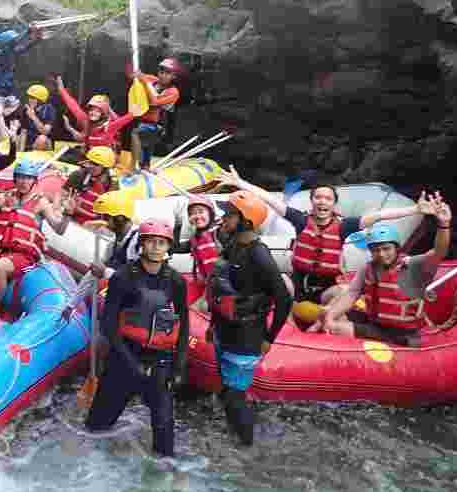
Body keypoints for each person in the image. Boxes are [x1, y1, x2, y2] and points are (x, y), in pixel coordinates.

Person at [225, 169, 423, 306]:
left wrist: (415, 209)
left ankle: (322, 327)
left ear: (334, 204)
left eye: (327, 198)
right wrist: (240, 183)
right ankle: (288, 327)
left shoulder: (345, 226)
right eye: (318, 197)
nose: (322, 201)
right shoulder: (300, 220)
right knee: (282, 279)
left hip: (327, 288)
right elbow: (269, 199)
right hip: (298, 285)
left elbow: (379, 215)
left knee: (345, 291)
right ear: (312, 202)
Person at [85, 219, 189, 454]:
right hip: (125, 356)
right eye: (151, 242)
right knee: (97, 427)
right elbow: (109, 324)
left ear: (167, 248)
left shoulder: (176, 281)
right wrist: (130, 363)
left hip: (159, 359)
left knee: (164, 432)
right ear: (142, 244)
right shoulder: (123, 277)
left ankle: (164, 474)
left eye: (161, 243)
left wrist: (180, 366)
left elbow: (184, 323)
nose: (156, 247)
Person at [206, 190, 291, 447]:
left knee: (234, 394)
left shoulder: (258, 254)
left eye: (229, 215)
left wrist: (269, 337)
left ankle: (246, 447)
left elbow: (284, 299)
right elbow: (222, 289)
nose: (223, 219)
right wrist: (213, 324)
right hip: (225, 327)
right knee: (227, 388)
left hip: (248, 333)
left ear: (246, 220)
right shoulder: (233, 246)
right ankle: (233, 433)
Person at [313, 193, 454, 346]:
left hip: (401, 335)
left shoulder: (412, 266)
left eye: (386, 249)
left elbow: (439, 251)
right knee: (328, 315)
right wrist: (330, 316)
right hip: (375, 324)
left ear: (396, 248)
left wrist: (443, 225)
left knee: (337, 328)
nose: (381, 254)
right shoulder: (368, 268)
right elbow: (352, 294)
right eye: (376, 250)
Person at [0, 159, 68, 312]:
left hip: (23, 256)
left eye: (28, 178)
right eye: (20, 177)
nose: (23, 182)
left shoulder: (40, 202)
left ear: (34, 181)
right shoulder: (2, 198)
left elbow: (59, 229)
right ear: (15, 178)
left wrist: (68, 213)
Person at [56, 76, 137, 157]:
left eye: (97, 111)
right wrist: (62, 90)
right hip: (89, 156)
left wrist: (134, 112)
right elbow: (73, 105)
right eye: (91, 110)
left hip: (104, 160)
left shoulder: (110, 126)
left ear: (103, 114)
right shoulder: (85, 120)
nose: (93, 113)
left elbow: (125, 118)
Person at [131, 58, 183, 168]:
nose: (163, 75)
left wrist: (144, 81)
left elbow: (155, 101)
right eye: (161, 71)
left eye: (168, 73)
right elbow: (136, 76)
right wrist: (135, 74)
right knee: (145, 154)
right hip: (142, 121)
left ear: (174, 76)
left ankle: (134, 167)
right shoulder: (152, 80)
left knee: (136, 133)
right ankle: (144, 166)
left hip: (157, 126)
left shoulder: (173, 92)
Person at [0, 25, 40, 119]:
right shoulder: (2, 54)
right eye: (12, 42)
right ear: (7, 44)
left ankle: (0, 116)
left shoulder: (10, 52)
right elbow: (16, 41)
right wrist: (28, 31)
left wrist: (36, 40)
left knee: (14, 104)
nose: (15, 43)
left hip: (4, 91)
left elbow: (24, 49)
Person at [64, 145, 118, 224]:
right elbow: (61, 197)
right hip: (71, 220)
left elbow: (110, 216)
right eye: (90, 162)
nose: (90, 166)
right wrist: (68, 205)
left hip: (94, 225)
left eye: (95, 164)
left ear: (106, 168)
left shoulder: (113, 186)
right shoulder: (78, 175)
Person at [20, 83, 57, 150]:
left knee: (42, 138)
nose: (30, 100)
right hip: (30, 141)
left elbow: (45, 132)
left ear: (40, 100)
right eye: (29, 97)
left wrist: (33, 117)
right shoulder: (26, 109)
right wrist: (21, 151)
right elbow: (24, 131)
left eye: (33, 98)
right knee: (14, 137)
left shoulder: (49, 110)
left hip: (44, 142)